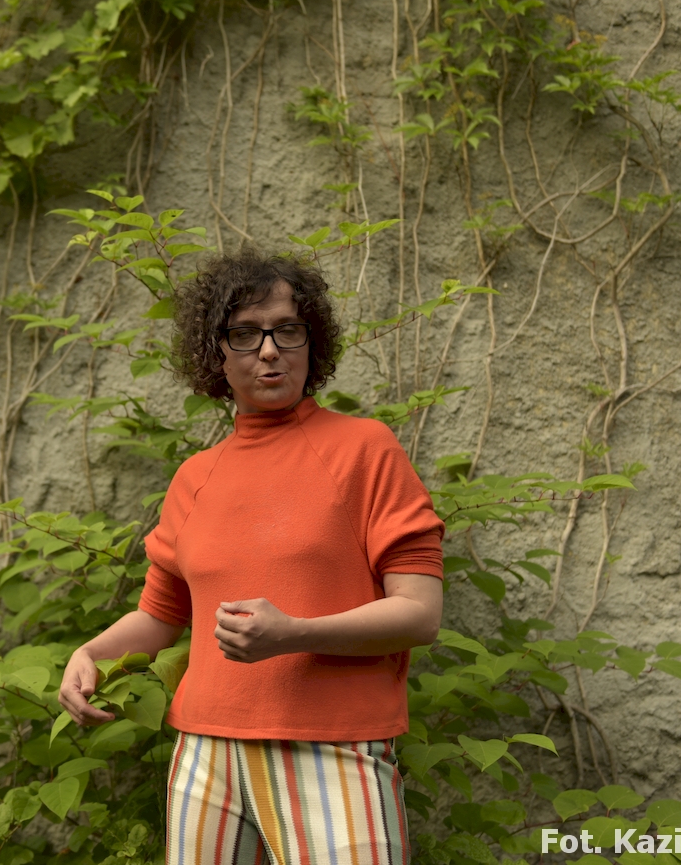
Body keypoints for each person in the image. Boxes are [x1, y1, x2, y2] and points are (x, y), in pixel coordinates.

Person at [58, 248, 446, 865]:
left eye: (287, 329)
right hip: (204, 754)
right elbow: (160, 618)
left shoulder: (364, 449)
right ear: (216, 352)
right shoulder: (195, 477)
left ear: (312, 342)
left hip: (333, 747)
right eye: (245, 334)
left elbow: (420, 614)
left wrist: (292, 634)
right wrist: (92, 655)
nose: (269, 350)